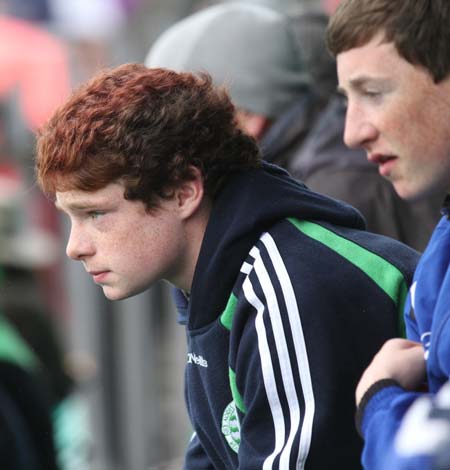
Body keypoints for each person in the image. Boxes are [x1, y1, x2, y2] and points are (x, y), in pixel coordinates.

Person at [35, 63, 419, 468]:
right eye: (69, 218)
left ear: (184, 192)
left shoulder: (286, 286)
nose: (74, 247)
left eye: (95, 214)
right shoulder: (214, 281)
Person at [145, 1, 443, 252]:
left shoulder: (331, 191)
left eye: (179, 131)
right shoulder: (308, 178)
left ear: (248, 117)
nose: (354, 134)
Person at [327, 0, 450, 468]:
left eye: (374, 92)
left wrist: (379, 399)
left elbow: (419, 461)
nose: (352, 133)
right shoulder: (442, 245)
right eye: (346, 99)